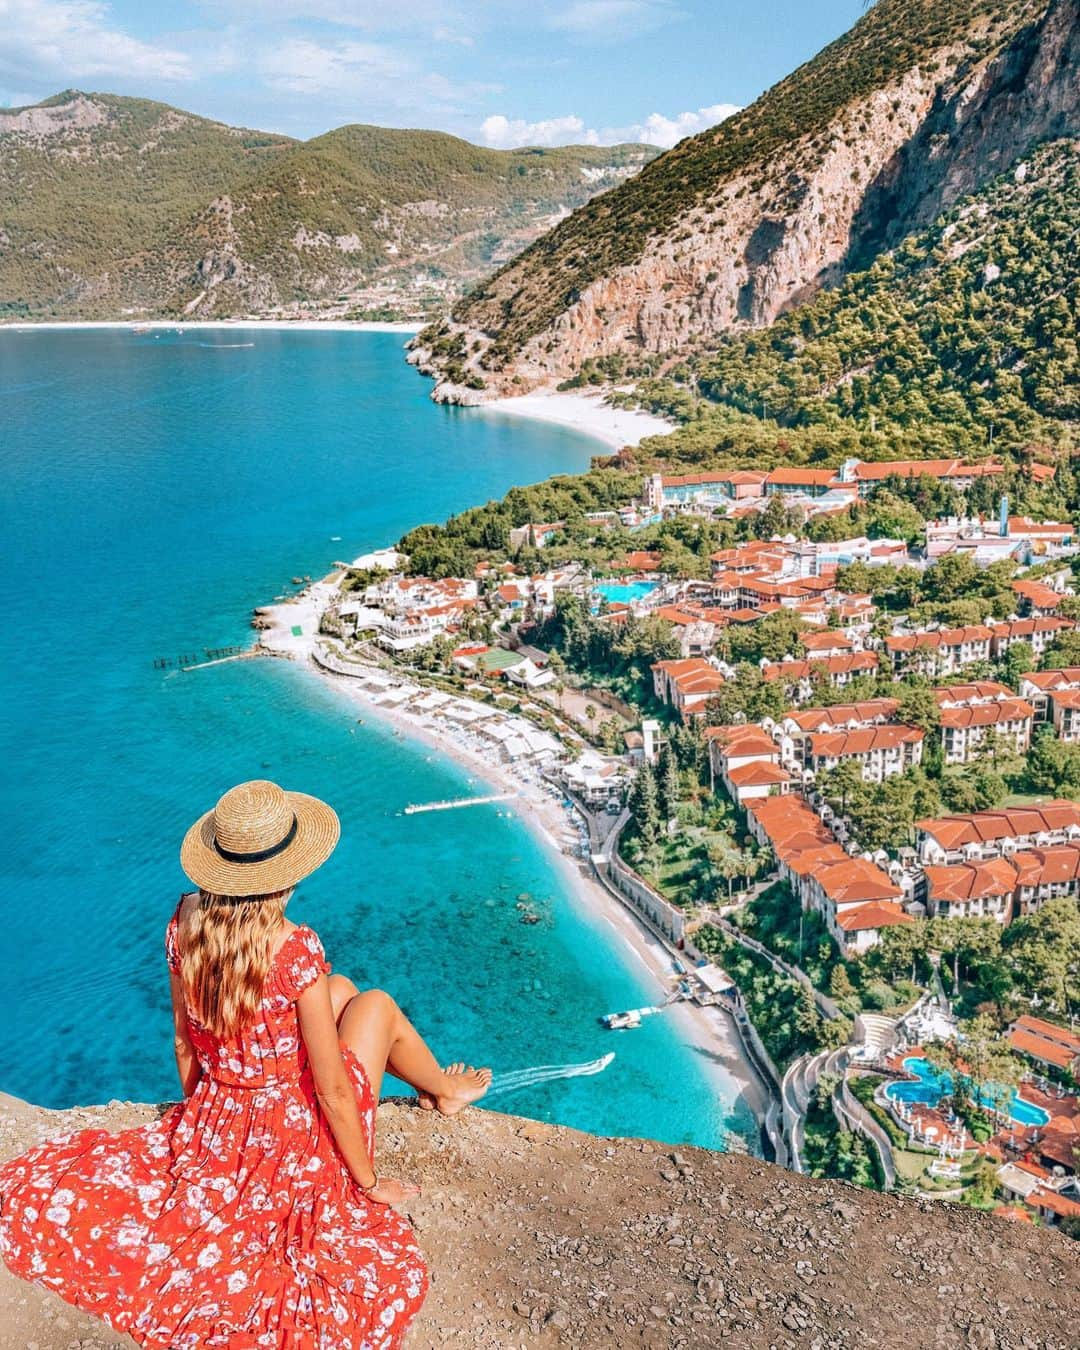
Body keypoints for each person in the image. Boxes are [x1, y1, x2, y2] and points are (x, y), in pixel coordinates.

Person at [0, 779, 490, 1348]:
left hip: (220, 1108)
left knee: (339, 989)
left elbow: (185, 1042)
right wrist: (367, 1181)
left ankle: (435, 1086)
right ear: (289, 870)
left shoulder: (184, 920)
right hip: (290, 1124)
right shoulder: (292, 945)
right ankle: (443, 1091)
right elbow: (331, 1089)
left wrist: (203, 1131)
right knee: (373, 1003)